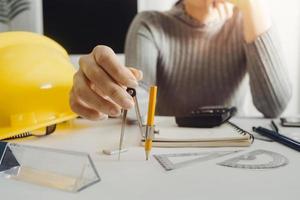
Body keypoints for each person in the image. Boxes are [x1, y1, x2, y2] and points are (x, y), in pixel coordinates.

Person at [70, 0, 292, 120]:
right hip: (166, 155)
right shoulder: (150, 25)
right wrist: (103, 88)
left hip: (233, 150)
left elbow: (274, 107)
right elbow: (136, 105)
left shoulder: (251, 21)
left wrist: (253, 5)